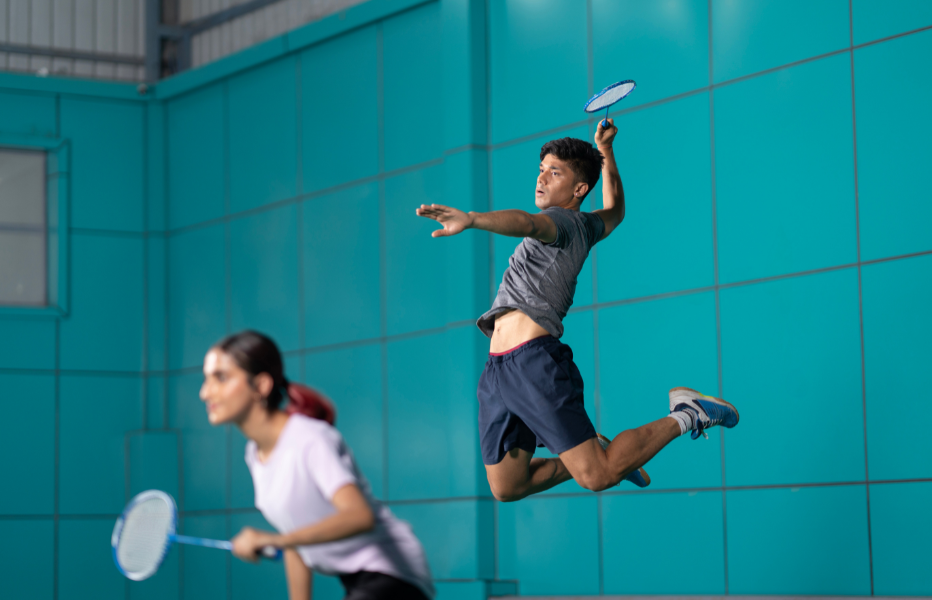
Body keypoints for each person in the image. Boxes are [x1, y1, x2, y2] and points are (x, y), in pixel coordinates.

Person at [416, 119, 739, 502]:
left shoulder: (563, 223)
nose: (542, 179)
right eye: (541, 170)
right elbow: (615, 210)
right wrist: (606, 151)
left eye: (555, 173)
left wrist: (472, 219)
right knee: (507, 486)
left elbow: (526, 222)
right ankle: (602, 452)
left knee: (598, 476)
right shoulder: (587, 225)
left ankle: (687, 413)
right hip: (499, 369)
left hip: (530, 362)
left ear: (579, 189)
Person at [199, 330, 435, 600]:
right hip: (356, 580)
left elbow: (360, 516)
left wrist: (273, 540)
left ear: (261, 385)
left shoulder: (310, 439)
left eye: (221, 377)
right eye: (205, 379)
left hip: (394, 573)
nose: (205, 393)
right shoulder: (254, 454)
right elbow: (296, 540)